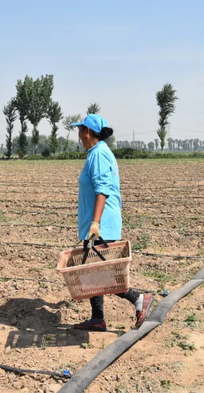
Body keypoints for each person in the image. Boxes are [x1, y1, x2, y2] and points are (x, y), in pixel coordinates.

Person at [70, 114, 153, 332]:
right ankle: (97, 318)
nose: (78, 135)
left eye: (79, 131)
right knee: (94, 269)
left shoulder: (98, 155)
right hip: (99, 223)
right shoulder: (97, 153)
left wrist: (95, 223)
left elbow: (103, 190)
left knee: (100, 273)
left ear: (87, 132)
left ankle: (138, 298)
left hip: (101, 224)